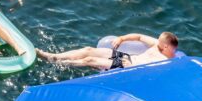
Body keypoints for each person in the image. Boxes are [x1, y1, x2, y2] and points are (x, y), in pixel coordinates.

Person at [37, 31, 180, 70]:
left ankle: (58, 63)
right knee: (89, 50)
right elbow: (139, 36)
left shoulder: (167, 63)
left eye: (160, 42)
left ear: (167, 46)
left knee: (89, 60)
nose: (157, 42)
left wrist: (131, 66)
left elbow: (149, 75)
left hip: (128, 66)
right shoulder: (158, 44)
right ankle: (53, 56)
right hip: (127, 56)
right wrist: (122, 38)